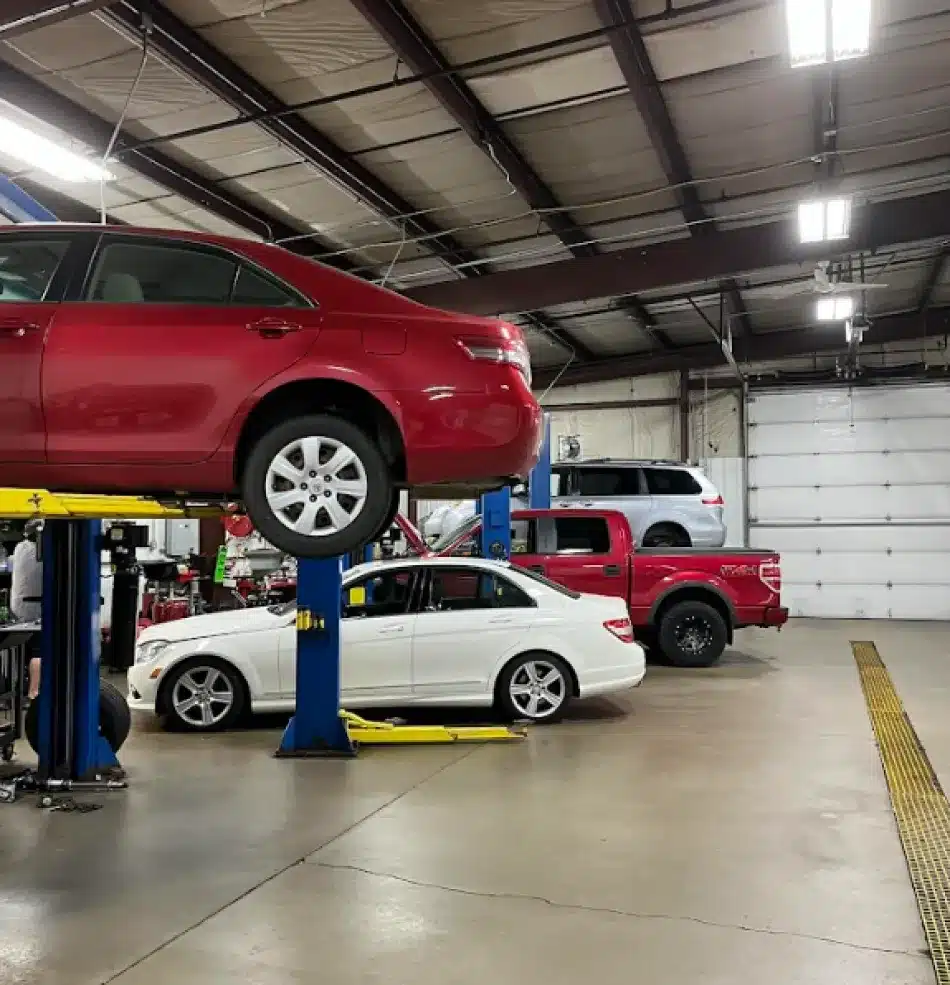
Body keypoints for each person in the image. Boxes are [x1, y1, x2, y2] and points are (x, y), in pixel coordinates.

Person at [10, 520, 43, 699]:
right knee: (38, 651)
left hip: (18, 607)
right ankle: (33, 692)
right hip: (36, 607)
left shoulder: (20, 548)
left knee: (22, 648)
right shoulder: (41, 552)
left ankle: (19, 687)